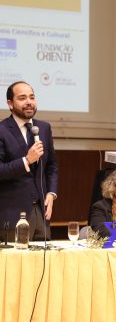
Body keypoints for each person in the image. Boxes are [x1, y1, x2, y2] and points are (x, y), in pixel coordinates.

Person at [0, 81, 58, 242]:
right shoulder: (2, 130)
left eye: (32, 97)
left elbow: (51, 165)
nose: (29, 102)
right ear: (10, 104)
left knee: (43, 265)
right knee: (15, 266)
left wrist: (52, 194)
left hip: (41, 212)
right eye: (22, 98)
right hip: (12, 214)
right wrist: (26, 161)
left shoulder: (43, 128)